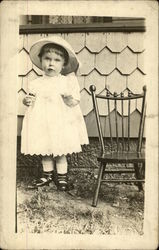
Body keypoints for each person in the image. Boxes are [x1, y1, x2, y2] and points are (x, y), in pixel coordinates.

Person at [21, 36, 89, 191]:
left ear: (64, 64)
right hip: (42, 122)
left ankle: (62, 177)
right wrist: (27, 101)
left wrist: (68, 98)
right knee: (45, 149)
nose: (51, 63)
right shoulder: (35, 83)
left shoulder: (67, 82)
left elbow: (74, 102)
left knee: (60, 150)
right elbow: (30, 99)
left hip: (60, 123)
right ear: (41, 60)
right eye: (47, 59)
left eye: (57, 60)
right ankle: (47, 175)